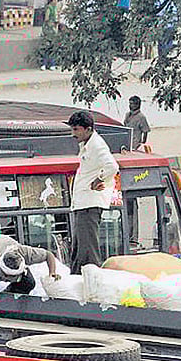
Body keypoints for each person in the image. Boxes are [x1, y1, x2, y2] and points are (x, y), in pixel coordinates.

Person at [68, 110, 119, 274]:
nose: (73, 134)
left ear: (88, 129)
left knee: (88, 252)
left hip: (90, 204)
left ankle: (92, 283)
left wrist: (100, 179)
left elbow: (112, 166)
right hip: (82, 203)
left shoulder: (97, 145)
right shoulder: (87, 144)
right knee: (78, 249)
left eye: (76, 129)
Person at [41, 0, 59, 70]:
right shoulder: (49, 8)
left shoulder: (53, 8)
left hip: (52, 30)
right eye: (56, 0)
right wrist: (53, 22)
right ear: (52, 0)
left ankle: (50, 64)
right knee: (49, 47)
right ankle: (47, 64)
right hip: (49, 30)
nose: (56, 2)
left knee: (51, 48)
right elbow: (46, 18)